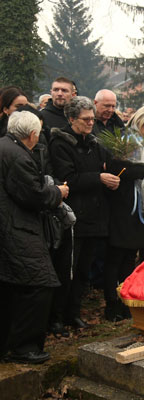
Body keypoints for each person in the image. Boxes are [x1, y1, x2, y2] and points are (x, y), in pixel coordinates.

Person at [0, 111, 68, 364]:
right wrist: (58, 192)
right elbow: (33, 195)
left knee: (11, 287)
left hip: (9, 225)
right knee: (40, 284)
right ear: (32, 135)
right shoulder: (18, 156)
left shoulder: (5, 146)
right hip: (16, 228)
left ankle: (8, 344)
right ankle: (24, 347)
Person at [49, 96, 120, 329]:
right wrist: (99, 178)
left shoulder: (93, 143)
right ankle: (56, 317)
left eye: (92, 119)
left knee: (83, 270)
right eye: (86, 119)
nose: (91, 123)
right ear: (71, 119)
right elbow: (67, 178)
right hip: (74, 217)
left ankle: (73, 312)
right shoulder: (60, 143)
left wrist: (112, 178)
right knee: (67, 269)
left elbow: (107, 165)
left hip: (94, 215)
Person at [103, 104, 144, 321]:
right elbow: (116, 169)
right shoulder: (125, 140)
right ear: (142, 120)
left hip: (139, 205)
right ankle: (111, 304)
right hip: (123, 204)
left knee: (130, 257)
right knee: (116, 257)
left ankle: (126, 301)